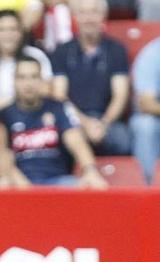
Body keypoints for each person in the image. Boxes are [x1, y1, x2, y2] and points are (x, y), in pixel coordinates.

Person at [0, 55, 108, 188]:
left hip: (58, 181)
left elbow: (75, 141)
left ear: (42, 80)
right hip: (20, 183)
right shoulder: (5, 114)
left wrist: (90, 170)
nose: (28, 83)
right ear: (14, 81)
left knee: (88, 186)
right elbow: (2, 154)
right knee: (3, 184)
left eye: (34, 77)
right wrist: (24, 186)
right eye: (22, 77)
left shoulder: (57, 107)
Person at [51, 0, 131, 156]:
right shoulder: (62, 51)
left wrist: (103, 124)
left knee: (123, 139)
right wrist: (85, 123)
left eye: (94, 12)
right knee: (58, 139)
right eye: (83, 12)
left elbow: (120, 96)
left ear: (103, 16)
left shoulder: (117, 50)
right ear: (75, 16)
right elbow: (59, 96)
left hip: (107, 120)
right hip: (73, 120)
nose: (89, 18)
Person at [0, 10, 53, 110]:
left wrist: (8, 103)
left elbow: (46, 91)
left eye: (13, 29)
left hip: (29, 113)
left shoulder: (35, 55)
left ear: (21, 32)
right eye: (1, 30)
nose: (7, 35)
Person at [130, 37, 160, 184]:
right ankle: (147, 187)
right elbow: (145, 104)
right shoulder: (153, 53)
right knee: (145, 125)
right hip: (156, 118)